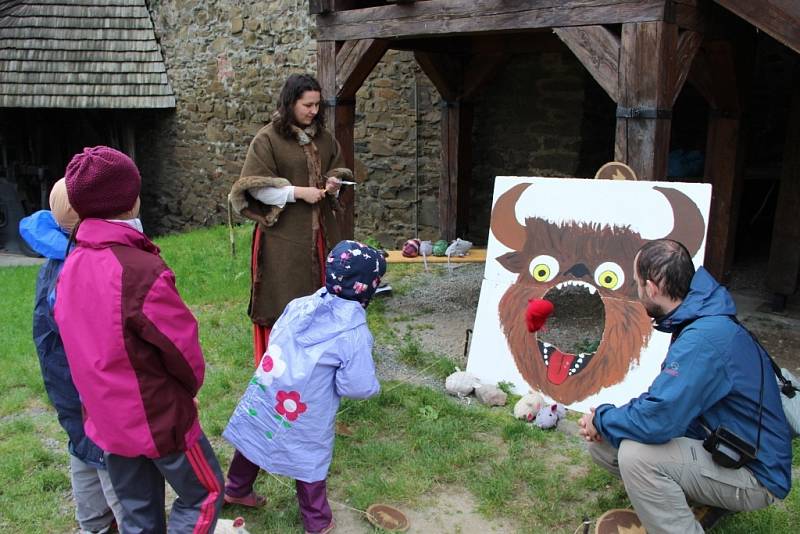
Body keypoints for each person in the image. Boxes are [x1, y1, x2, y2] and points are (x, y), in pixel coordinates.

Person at [53, 146, 224, 533]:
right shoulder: (141, 269)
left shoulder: (71, 265)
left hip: (106, 418)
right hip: (160, 415)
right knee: (205, 494)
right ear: (131, 200)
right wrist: (188, 389)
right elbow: (180, 345)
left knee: (136, 512)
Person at [578, 239, 792, 534]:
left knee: (637, 457)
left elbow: (659, 419)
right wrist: (605, 423)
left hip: (756, 474)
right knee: (605, 444)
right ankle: (693, 499)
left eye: (638, 283)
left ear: (652, 288)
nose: (637, 291)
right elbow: (665, 404)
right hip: (726, 443)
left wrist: (601, 416)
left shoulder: (702, 338)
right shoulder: (700, 317)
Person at [225, 73, 351, 507]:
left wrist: (332, 182)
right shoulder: (267, 139)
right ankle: (278, 393)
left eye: (318, 105)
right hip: (285, 243)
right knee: (286, 312)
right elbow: (252, 187)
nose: (314, 112)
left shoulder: (322, 135)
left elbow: (335, 162)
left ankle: (317, 400)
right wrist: (298, 192)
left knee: (323, 315)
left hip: (321, 241)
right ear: (290, 102)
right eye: (307, 105)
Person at [224, 240, 386, 534]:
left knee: (256, 434)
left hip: (270, 388)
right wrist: (373, 387)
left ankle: (236, 487)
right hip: (306, 408)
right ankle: (317, 522)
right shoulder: (354, 334)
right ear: (369, 287)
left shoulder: (300, 304)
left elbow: (276, 338)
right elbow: (357, 386)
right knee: (309, 457)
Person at [18, 179, 125, 534]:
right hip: (90, 396)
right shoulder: (77, 266)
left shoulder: (56, 253)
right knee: (116, 475)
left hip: (67, 393)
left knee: (82, 450)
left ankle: (93, 524)